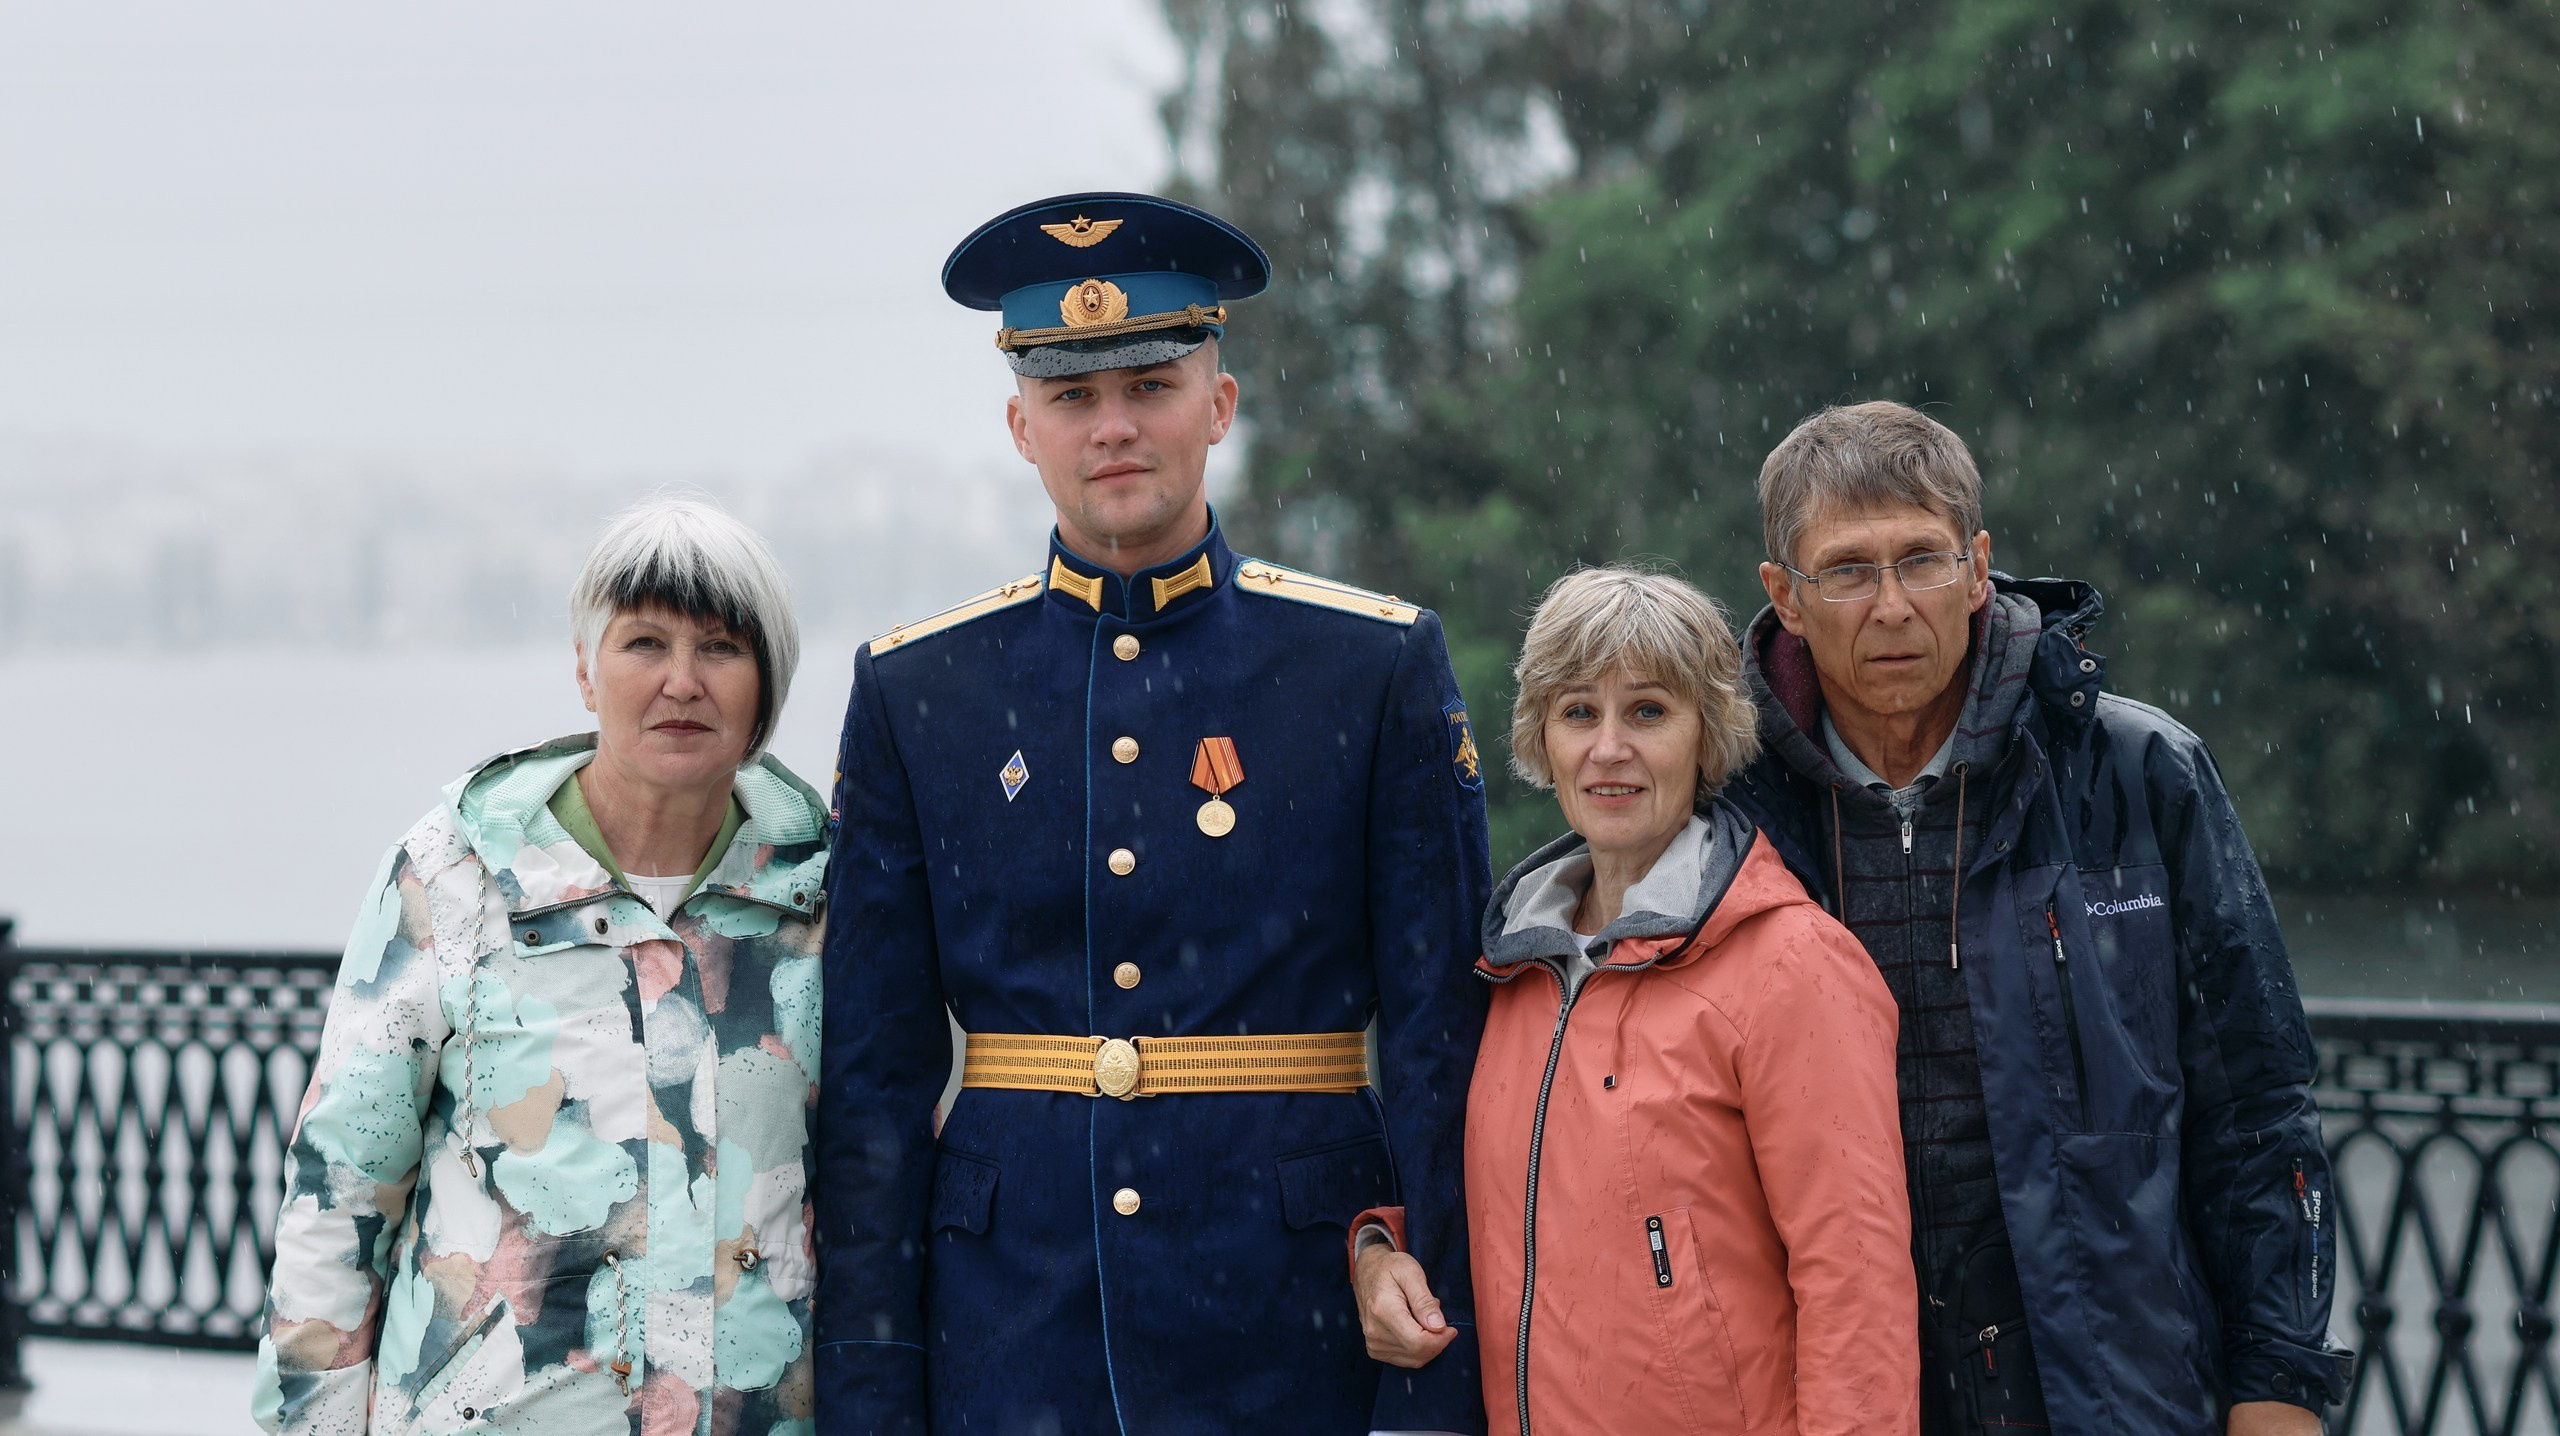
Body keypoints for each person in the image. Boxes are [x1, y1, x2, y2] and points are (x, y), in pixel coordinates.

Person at [813, 192, 1492, 1436]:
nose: (1113, 425)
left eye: (1151, 384)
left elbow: (1445, 1041)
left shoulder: (1366, 665)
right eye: (1072, 398)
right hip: (1011, 1325)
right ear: (1021, 427)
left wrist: (1436, 1353)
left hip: (1298, 1314)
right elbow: (873, 1080)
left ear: (1219, 405)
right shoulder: (921, 691)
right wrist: (870, 1377)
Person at [1723, 402, 2355, 1435]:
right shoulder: (1729, 811)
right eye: (1845, 570)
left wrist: (2278, 1382)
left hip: (2111, 1382)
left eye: (1921, 560)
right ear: (1783, 596)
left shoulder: (2139, 772)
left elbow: (2258, 1110)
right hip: (1832, 1389)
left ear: (1977, 569)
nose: (1890, 606)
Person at [253, 498, 831, 1433]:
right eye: (644, 644)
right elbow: (341, 1190)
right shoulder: (453, 877)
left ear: (770, 683)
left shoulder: (821, 898)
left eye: (721, 649)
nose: (681, 682)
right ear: (584, 668)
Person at [1350, 567, 1918, 1435]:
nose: (1608, 748)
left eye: (1648, 711)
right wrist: (1378, 1248)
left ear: (1708, 735)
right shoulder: (1508, 972)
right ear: (1542, 738)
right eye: (1579, 712)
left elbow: (1858, 1286)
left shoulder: (1794, 965)